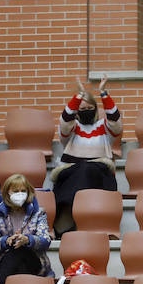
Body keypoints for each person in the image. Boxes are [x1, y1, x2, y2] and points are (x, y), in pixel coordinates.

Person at [50, 75, 122, 236]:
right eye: (82, 110)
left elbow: (116, 121)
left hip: (99, 173)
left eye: (89, 109)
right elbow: (65, 120)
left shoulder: (104, 127)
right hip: (71, 170)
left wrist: (103, 93)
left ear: (96, 110)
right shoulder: (72, 128)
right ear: (77, 112)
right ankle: (67, 218)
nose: (86, 112)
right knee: (81, 170)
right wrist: (78, 96)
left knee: (88, 169)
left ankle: (75, 218)